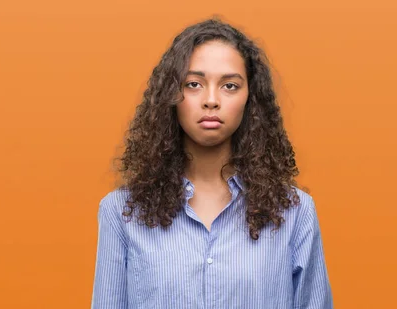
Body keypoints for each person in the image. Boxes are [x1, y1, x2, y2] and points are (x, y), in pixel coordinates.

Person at [90, 17, 333, 309]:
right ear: (171, 95)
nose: (211, 100)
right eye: (194, 84)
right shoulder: (121, 213)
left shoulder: (295, 213)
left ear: (249, 99)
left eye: (230, 85)